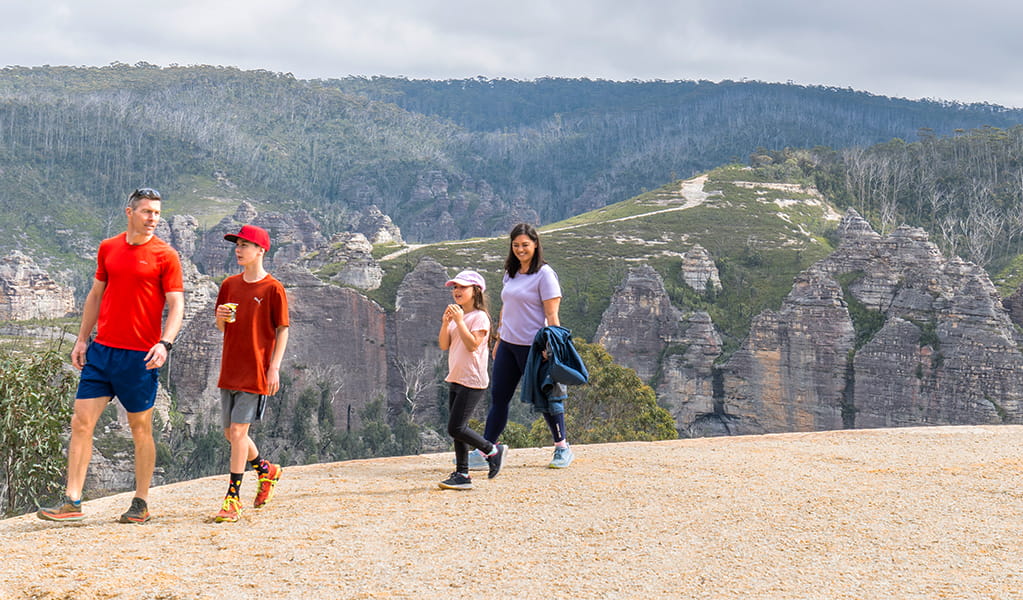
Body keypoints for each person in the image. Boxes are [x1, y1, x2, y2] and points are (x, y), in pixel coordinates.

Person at [38, 187, 184, 524]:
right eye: (147, 211)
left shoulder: (166, 255)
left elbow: (177, 304)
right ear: (129, 212)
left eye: (157, 213)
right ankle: (72, 500)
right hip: (102, 352)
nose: (153, 219)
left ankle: (141, 502)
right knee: (81, 423)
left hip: (140, 357)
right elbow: (95, 295)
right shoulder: (109, 248)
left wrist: (165, 343)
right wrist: (81, 340)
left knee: (140, 429)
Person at [480, 222, 574, 469]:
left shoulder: (545, 274)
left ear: (535, 245)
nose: (520, 249)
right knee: (499, 397)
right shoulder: (510, 272)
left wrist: (551, 348)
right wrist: (499, 338)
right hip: (508, 346)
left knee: (547, 397)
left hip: (534, 348)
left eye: (525, 245)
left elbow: (552, 316)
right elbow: (506, 308)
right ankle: (488, 449)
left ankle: (562, 447)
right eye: (516, 245)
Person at [212, 224, 289, 523]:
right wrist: (221, 318)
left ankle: (233, 499)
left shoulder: (273, 288)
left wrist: (274, 367)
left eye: (244, 245)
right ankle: (265, 471)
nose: (238, 249)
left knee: (239, 432)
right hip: (230, 367)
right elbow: (223, 328)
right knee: (229, 433)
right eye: (237, 244)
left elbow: (282, 329)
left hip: (256, 370)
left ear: (261, 250)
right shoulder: (229, 285)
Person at [437, 270, 506, 490]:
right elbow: (444, 345)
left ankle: (492, 450)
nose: (456, 291)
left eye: (462, 287)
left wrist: (459, 320)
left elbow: (473, 344)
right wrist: (445, 322)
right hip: (456, 377)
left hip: (472, 379)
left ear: (475, 291)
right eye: (454, 287)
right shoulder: (458, 316)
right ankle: (462, 474)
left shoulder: (479, 317)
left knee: (455, 428)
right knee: (459, 429)